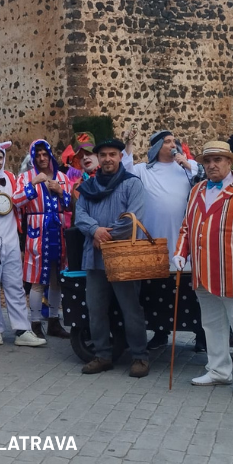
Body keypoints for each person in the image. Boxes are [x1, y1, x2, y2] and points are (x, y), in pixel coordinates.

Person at [175, 140, 233, 395]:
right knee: (211, 324)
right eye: (208, 161)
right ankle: (218, 370)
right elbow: (187, 225)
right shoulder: (197, 189)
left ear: (230, 162)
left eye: (218, 160)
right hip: (202, 272)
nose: (212, 165)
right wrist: (180, 252)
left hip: (232, 271)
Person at [74, 138, 150, 377]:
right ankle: (102, 355)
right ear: (98, 158)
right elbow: (80, 215)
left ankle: (140, 357)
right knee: (96, 308)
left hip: (123, 257)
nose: (108, 159)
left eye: (112, 154)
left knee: (131, 308)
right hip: (95, 258)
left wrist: (105, 236)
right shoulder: (88, 187)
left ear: (120, 157)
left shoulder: (132, 184)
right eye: (103, 155)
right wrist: (94, 230)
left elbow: (133, 218)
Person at [122, 129, 201, 349]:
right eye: (167, 141)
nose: (173, 144)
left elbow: (204, 178)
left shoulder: (186, 168)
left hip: (182, 237)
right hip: (154, 238)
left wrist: (187, 164)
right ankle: (160, 332)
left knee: (189, 289)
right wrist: (128, 144)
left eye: (174, 141)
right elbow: (125, 169)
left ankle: (200, 335)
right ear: (157, 147)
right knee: (158, 289)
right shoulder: (143, 170)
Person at [0, 141, 46, 347]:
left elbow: (21, 201)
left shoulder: (12, 178)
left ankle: (22, 330)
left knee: (15, 286)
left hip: (11, 239)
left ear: (4, 159)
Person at [13, 139, 72, 339]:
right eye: (37, 155)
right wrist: (33, 184)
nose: (41, 158)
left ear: (50, 155)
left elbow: (70, 204)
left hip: (59, 232)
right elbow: (16, 201)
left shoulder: (62, 177)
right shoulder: (25, 177)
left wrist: (60, 191)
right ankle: (36, 322)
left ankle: (54, 320)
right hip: (37, 233)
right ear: (33, 157)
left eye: (44, 154)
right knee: (37, 279)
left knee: (57, 279)